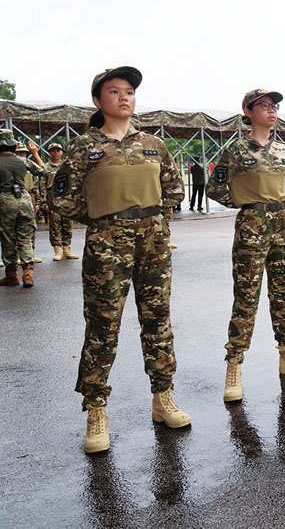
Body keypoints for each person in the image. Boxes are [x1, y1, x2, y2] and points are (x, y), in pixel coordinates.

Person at [48, 66, 190, 454]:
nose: (124, 97)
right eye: (115, 91)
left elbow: (173, 190)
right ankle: (96, 410)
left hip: (154, 243)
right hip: (106, 245)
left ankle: (163, 397)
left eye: (129, 91)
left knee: (157, 320)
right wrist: (101, 218)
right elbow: (61, 198)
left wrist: (151, 218)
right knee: (102, 326)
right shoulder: (83, 148)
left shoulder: (153, 144)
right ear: (98, 101)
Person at [207, 89, 285, 402]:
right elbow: (215, 188)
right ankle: (234, 364)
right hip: (252, 225)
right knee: (246, 296)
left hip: (282, 222)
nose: (272, 110)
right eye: (265, 106)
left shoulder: (283, 149)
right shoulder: (235, 149)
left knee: (283, 292)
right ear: (248, 111)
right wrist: (247, 203)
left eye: (275, 106)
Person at [0, 132, 46, 286]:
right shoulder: (23, 160)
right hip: (25, 201)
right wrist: (35, 154)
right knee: (25, 238)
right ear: (12, 145)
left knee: (8, 239)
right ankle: (28, 274)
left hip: (5, 201)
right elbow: (44, 172)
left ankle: (12, 275)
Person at [44, 142, 79, 261]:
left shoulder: (67, 166)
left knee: (67, 224)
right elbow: (42, 185)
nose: (56, 153)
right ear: (49, 153)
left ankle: (67, 249)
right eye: (53, 151)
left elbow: (73, 182)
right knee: (55, 225)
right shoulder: (46, 167)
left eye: (58, 150)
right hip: (53, 200)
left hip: (67, 200)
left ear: (61, 152)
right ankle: (57, 250)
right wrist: (44, 202)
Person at [15, 142, 44, 263]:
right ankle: (16, 256)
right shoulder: (12, 167)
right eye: (19, 153)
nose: (21, 155)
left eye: (23, 153)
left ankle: (30, 254)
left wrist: (37, 202)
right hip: (15, 199)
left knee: (31, 229)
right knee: (14, 228)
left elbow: (36, 187)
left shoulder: (31, 168)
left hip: (30, 199)